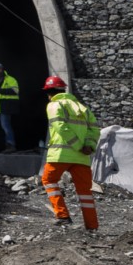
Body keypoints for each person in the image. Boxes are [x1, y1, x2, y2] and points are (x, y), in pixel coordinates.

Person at [41, 75, 101, 232]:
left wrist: (78, 145)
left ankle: (62, 216)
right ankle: (92, 227)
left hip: (61, 154)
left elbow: (60, 126)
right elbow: (95, 129)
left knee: (48, 179)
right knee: (85, 192)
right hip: (81, 157)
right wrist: (88, 146)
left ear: (49, 93)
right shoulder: (81, 107)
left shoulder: (54, 105)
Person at [0, 61, 20, 151]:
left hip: (7, 106)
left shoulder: (10, 79)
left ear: (1, 69)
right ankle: (8, 145)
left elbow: (15, 91)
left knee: (6, 126)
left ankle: (11, 145)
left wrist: (0, 90)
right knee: (4, 126)